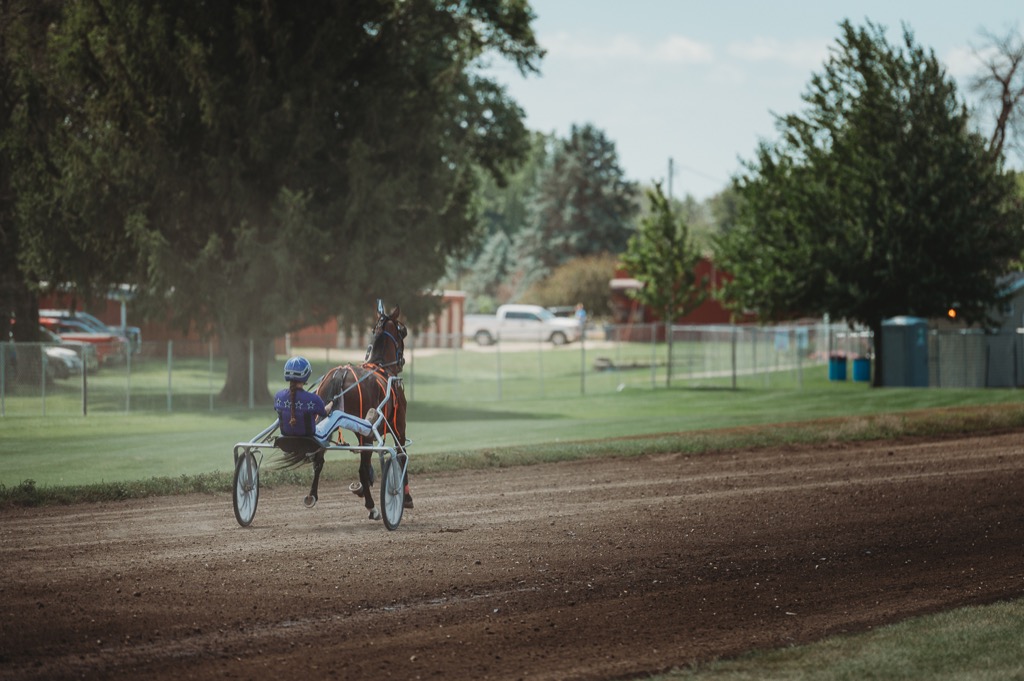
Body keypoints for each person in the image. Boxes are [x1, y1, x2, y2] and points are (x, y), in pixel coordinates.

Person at [274, 356, 373, 444]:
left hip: (285, 437)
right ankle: (367, 427)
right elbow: (324, 412)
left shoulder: (278, 396)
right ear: (306, 375)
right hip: (312, 438)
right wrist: (331, 402)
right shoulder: (312, 399)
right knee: (338, 415)